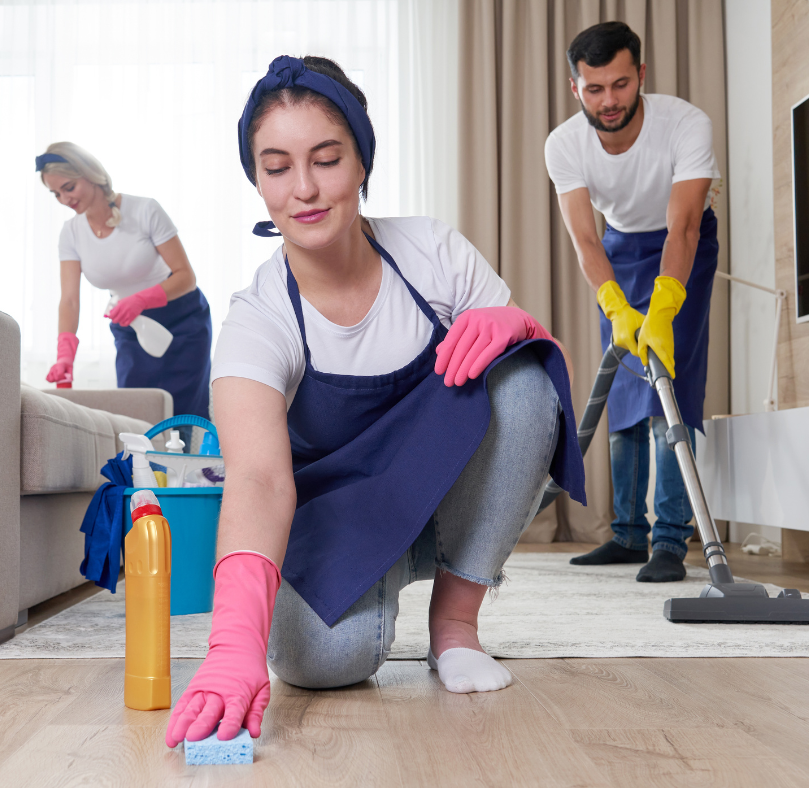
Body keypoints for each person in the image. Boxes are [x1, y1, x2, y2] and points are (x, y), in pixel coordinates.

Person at [164, 55, 586, 748]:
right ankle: (379, 582)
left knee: (520, 377)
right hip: (339, 518)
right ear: (258, 180)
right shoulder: (260, 319)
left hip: (442, 492)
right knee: (321, 661)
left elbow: (544, 399)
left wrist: (525, 327)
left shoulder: (431, 252)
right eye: (277, 167)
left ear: (362, 161)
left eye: (327, 159)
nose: (304, 188)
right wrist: (233, 645)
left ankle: (455, 624)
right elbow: (259, 478)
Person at [544, 22, 721, 582]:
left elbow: (684, 227)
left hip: (683, 246)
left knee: (670, 386)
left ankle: (669, 540)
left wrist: (664, 305)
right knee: (623, 390)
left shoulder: (686, 124)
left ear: (640, 74)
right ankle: (626, 534)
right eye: (594, 89)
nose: (609, 101)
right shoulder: (563, 144)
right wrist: (616, 306)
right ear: (575, 88)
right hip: (617, 249)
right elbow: (585, 240)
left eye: (620, 84)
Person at [37, 142, 212, 423]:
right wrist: (65, 356)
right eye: (56, 193)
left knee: (183, 414)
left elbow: (186, 277)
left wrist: (141, 300)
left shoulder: (145, 210)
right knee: (136, 412)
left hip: (183, 320)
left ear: (90, 174)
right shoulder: (71, 233)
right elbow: (69, 301)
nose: (64, 199)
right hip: (131, 326)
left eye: (69, 188)